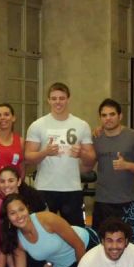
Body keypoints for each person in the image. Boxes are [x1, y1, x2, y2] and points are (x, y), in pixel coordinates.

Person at [25, 82, 95, 226]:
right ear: (48, 100)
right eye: (54, 98)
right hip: (44, 187)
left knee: (76, 231)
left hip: (72, 188)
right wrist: (45, 152)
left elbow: (91, 159)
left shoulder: (81, 125)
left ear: (68, 99)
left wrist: (81, 153)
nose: (58, 102)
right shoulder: (37, 125)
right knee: (43, 230)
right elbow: (28, 157)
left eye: (62, 98)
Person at [92, 98, 134, 245]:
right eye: (104, 115)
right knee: (101, 247)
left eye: (112, 114)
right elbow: (87, 163)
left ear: (120, 116)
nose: (108, 118)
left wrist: (127, 165)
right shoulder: (96, 137)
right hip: (102, 202)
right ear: (100, 118)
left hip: (127, 202)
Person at [0, 165, 47, 267]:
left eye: (11, 180)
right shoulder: (0, 205)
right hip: (18, 252)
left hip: (40, 250)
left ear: (19, 181)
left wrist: (49, 261)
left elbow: (49, 232)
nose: (6, 185)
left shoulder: (33, 198)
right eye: (2, 181)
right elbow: (6, 241)